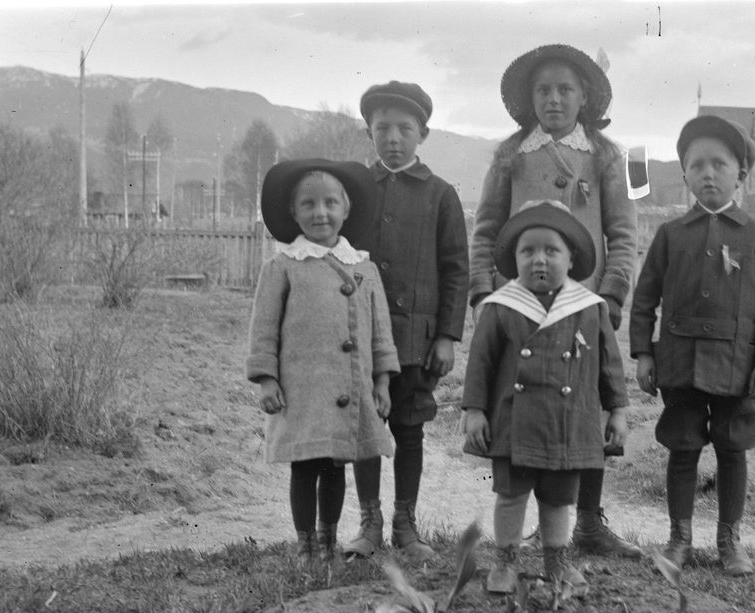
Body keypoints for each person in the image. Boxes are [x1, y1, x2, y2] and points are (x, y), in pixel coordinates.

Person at [469, 43, 641, 559]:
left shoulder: (614, 156)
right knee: (521, 407)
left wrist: (610, 295)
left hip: (582, 306)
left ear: (585, 95)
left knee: (584, 411)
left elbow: (626, 233)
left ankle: (587, 521)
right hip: (521, 307)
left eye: (565, 89)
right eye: (543, 90)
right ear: (529, 98)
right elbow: (485, 230)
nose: (554, 99)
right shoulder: (509, 155)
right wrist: (484, 292)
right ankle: (519, 522)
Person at [629, 116, 755, 576]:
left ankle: (729, 541)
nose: (708, 173)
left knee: (732, 448)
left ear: (741, 174)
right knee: (682, 448)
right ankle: (679, 539)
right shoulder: (670, 235)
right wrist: (644, 352)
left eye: (719, 164)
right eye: (696, 165)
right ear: (684, 176)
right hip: (679, 362)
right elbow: (645, 299)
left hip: (735, 366)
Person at [463, 200, 629, 595]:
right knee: (510, 495)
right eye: (528, 251)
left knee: (558, 500)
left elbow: (610, 365)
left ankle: (556, 561)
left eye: (551, 251)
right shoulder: (501, 306)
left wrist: (618, 411)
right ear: (514, 259)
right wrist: (474, 411)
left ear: (571, 258)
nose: (539, 260)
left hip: (568, 422)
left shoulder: (589, 308)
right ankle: (505, 561)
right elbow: (480, 364)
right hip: (513, 422)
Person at [246, 159, 400, 562]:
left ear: (346, 210)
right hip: (302, 390)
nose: (320, 213)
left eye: (331, 203)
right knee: (305, 466)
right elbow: (264, 328)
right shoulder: (282, 266)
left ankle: (328, 540)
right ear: (293, 212)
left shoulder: (363, 266)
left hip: (350, 387)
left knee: (336, 466)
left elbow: (380, 332)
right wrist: (267, 379)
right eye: (309, 204)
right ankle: (305, 545)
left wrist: (382, 381)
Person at [341, 81, 470, 562]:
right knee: (367, 428)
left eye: (404, 129)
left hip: (417, 340)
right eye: (382, 128)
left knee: (410, 427)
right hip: (364, 339)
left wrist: (447, 335)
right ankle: (369, 523)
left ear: (424, 133)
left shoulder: (440, 196)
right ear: (368, 131)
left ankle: (406, 524)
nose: (393, 138)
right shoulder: (355, 191)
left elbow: (457, 268)